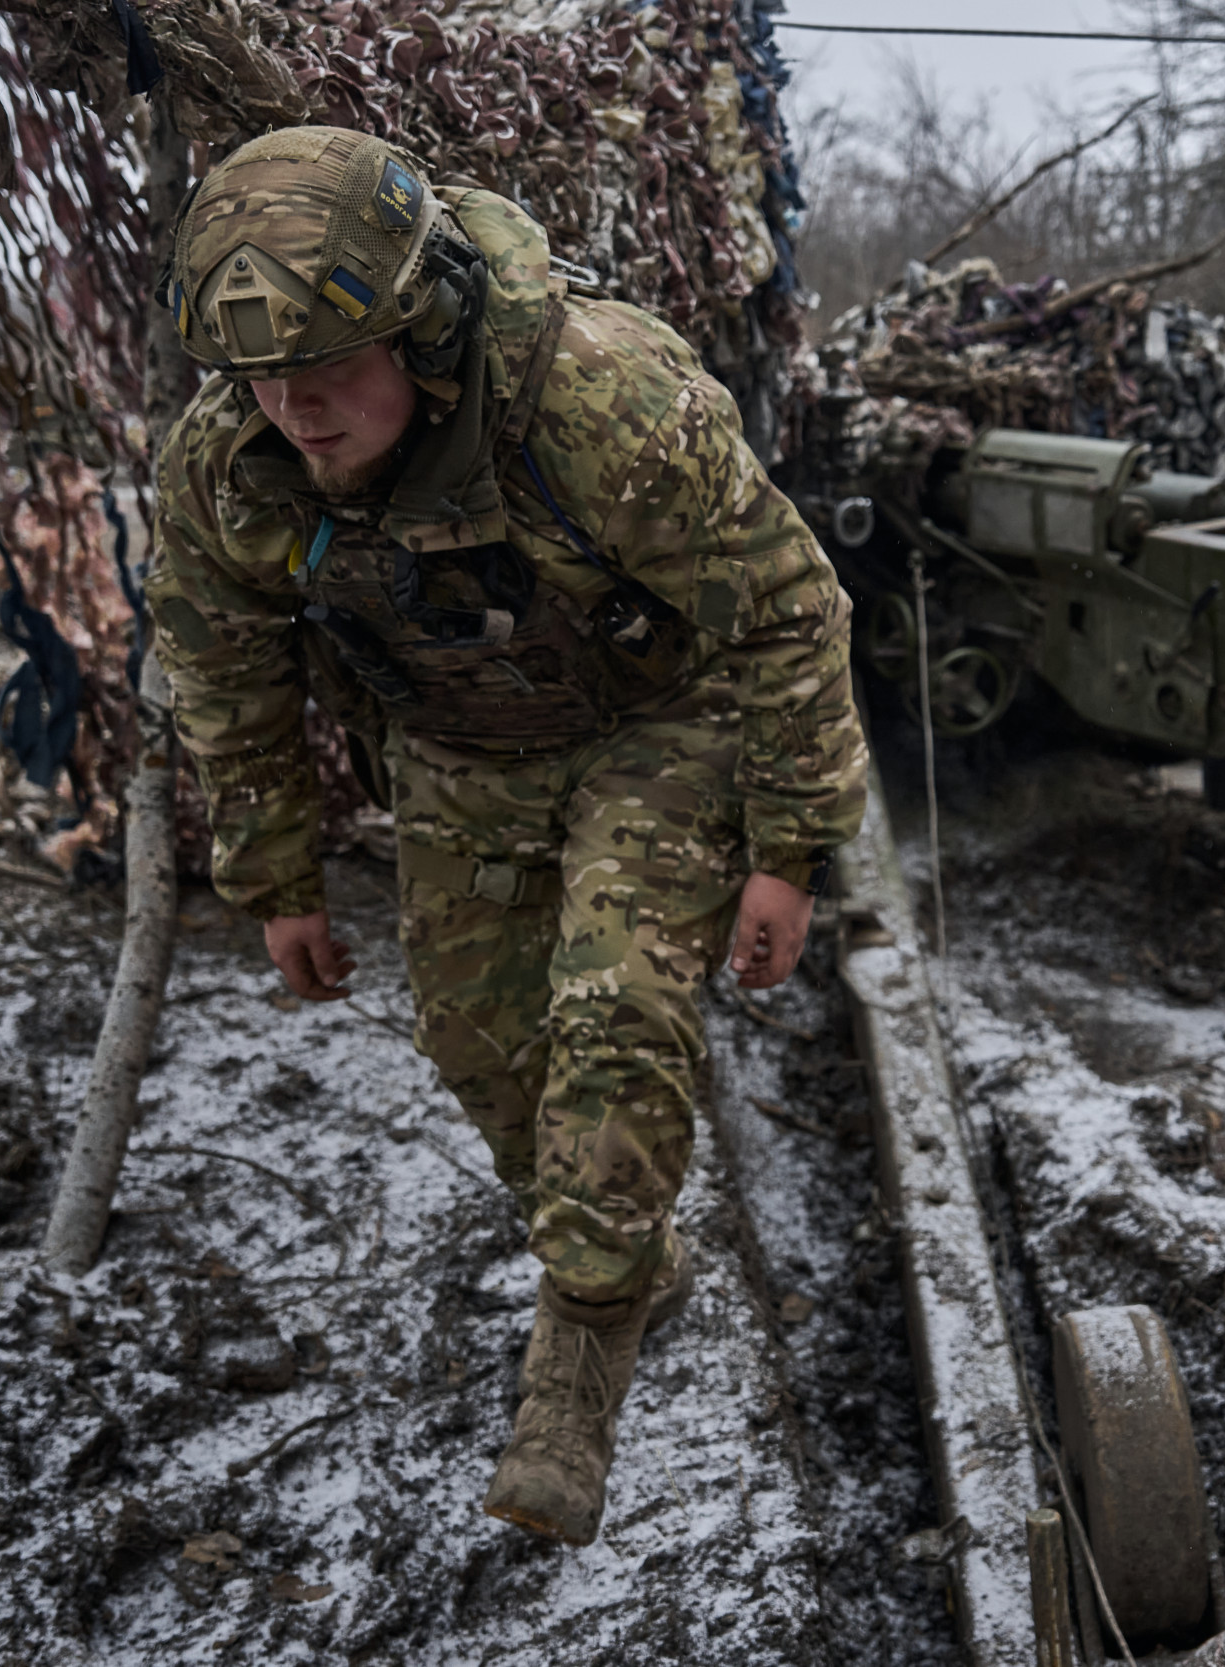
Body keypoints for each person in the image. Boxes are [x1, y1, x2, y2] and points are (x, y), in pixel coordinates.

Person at [146, 127, 867, 1546]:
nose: (294, 409)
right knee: (490, 1054)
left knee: (617, 1009)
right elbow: (223, 677)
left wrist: (790, 843)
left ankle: (575, 1369)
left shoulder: (595, 400)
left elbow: (786, 608)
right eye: (261, 380)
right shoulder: (229, 471)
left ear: (417, 333)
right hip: (462, 745)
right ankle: (623, 1252)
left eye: (327, 370)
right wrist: (276, 874)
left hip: (660, 721)